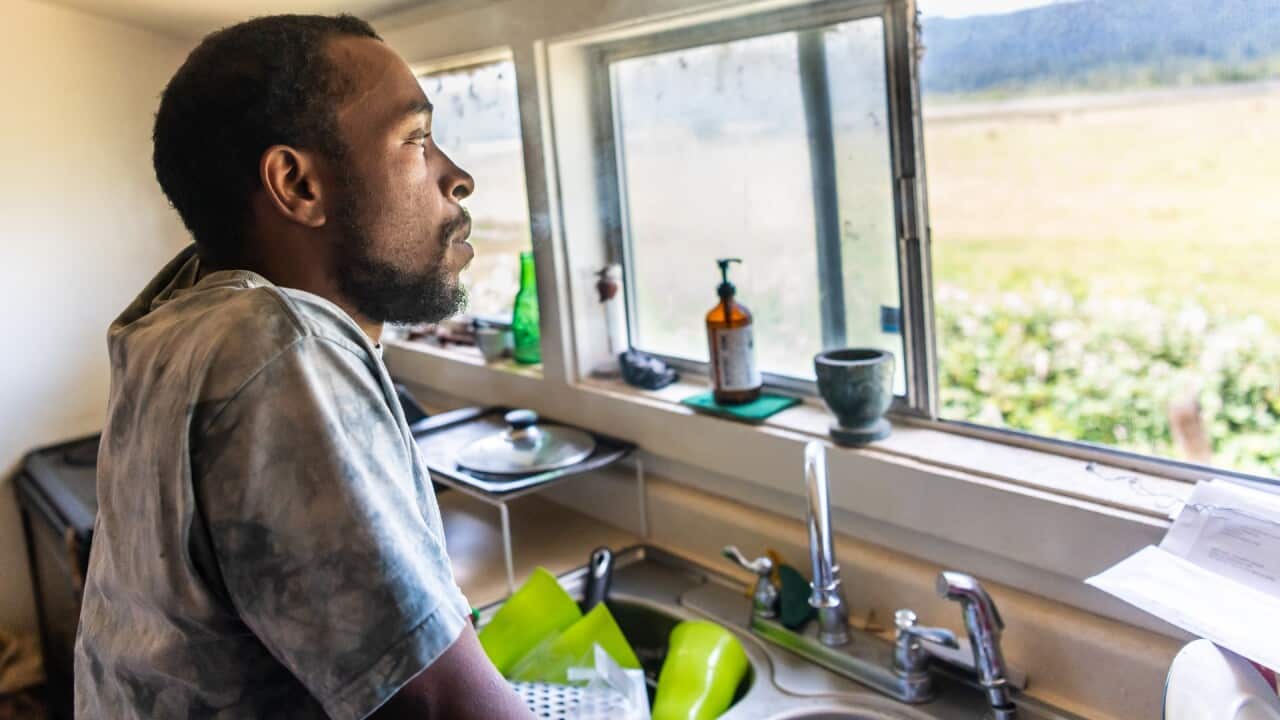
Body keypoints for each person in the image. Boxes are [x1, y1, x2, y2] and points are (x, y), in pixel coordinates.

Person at [73, 14, 533, 719]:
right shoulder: (277, 344)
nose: (458, 178)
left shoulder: (178, 319)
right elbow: (445, 707)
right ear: (297, 184)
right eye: (416, 140)